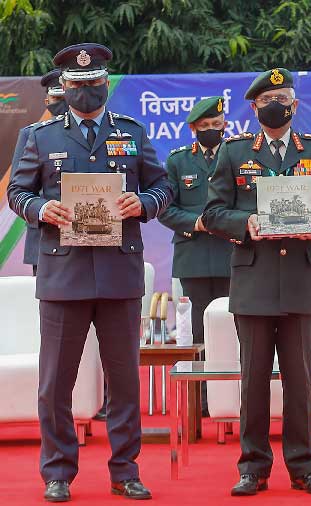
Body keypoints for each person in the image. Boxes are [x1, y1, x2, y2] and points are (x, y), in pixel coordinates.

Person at [7, 43, 172, 502]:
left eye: (94, 83)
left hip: (119, 272)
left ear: (106, 83)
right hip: (62, 274)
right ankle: (57, 471)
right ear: (64, 86)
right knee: (56, 382)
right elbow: (17, 193)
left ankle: (125, 471)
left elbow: (162, 186)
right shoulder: (39, 137)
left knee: (124, 381)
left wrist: (144, 203)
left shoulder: (132, 133)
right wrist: (42, 208)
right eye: (76, 85)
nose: (85, 91)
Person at [202, 68, 311, 497]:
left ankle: (305, 466)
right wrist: (245, 222)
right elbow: (212, 214)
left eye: (282, 97)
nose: (275, 105)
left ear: (295, 105)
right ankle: (253, 466)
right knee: (253, 378)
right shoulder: (233, 152)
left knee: (300, 380)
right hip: (254, 279)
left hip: (301, 279)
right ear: (254, 108)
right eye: (267, 100)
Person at [158, 96, 233, 415]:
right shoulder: (177, 162)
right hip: (195, 257)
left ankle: (233, 396)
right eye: (205, 127)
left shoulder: (237, 154)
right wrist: (196, 222)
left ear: (225, 126)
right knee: (199, 333)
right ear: (192, 129)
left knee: (234, 328)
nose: (212, 131)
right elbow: (164, 207)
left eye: (217, 125)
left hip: (234, 255)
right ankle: (202, 401)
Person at [13, 68, 67, 276]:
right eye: (56, 98)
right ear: (47, 102)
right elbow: (19, 188)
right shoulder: (31, 135)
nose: (61, 103)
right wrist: (43, 209)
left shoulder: (95, 133)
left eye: (64, 97)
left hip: (88, 237)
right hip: (45, 237)